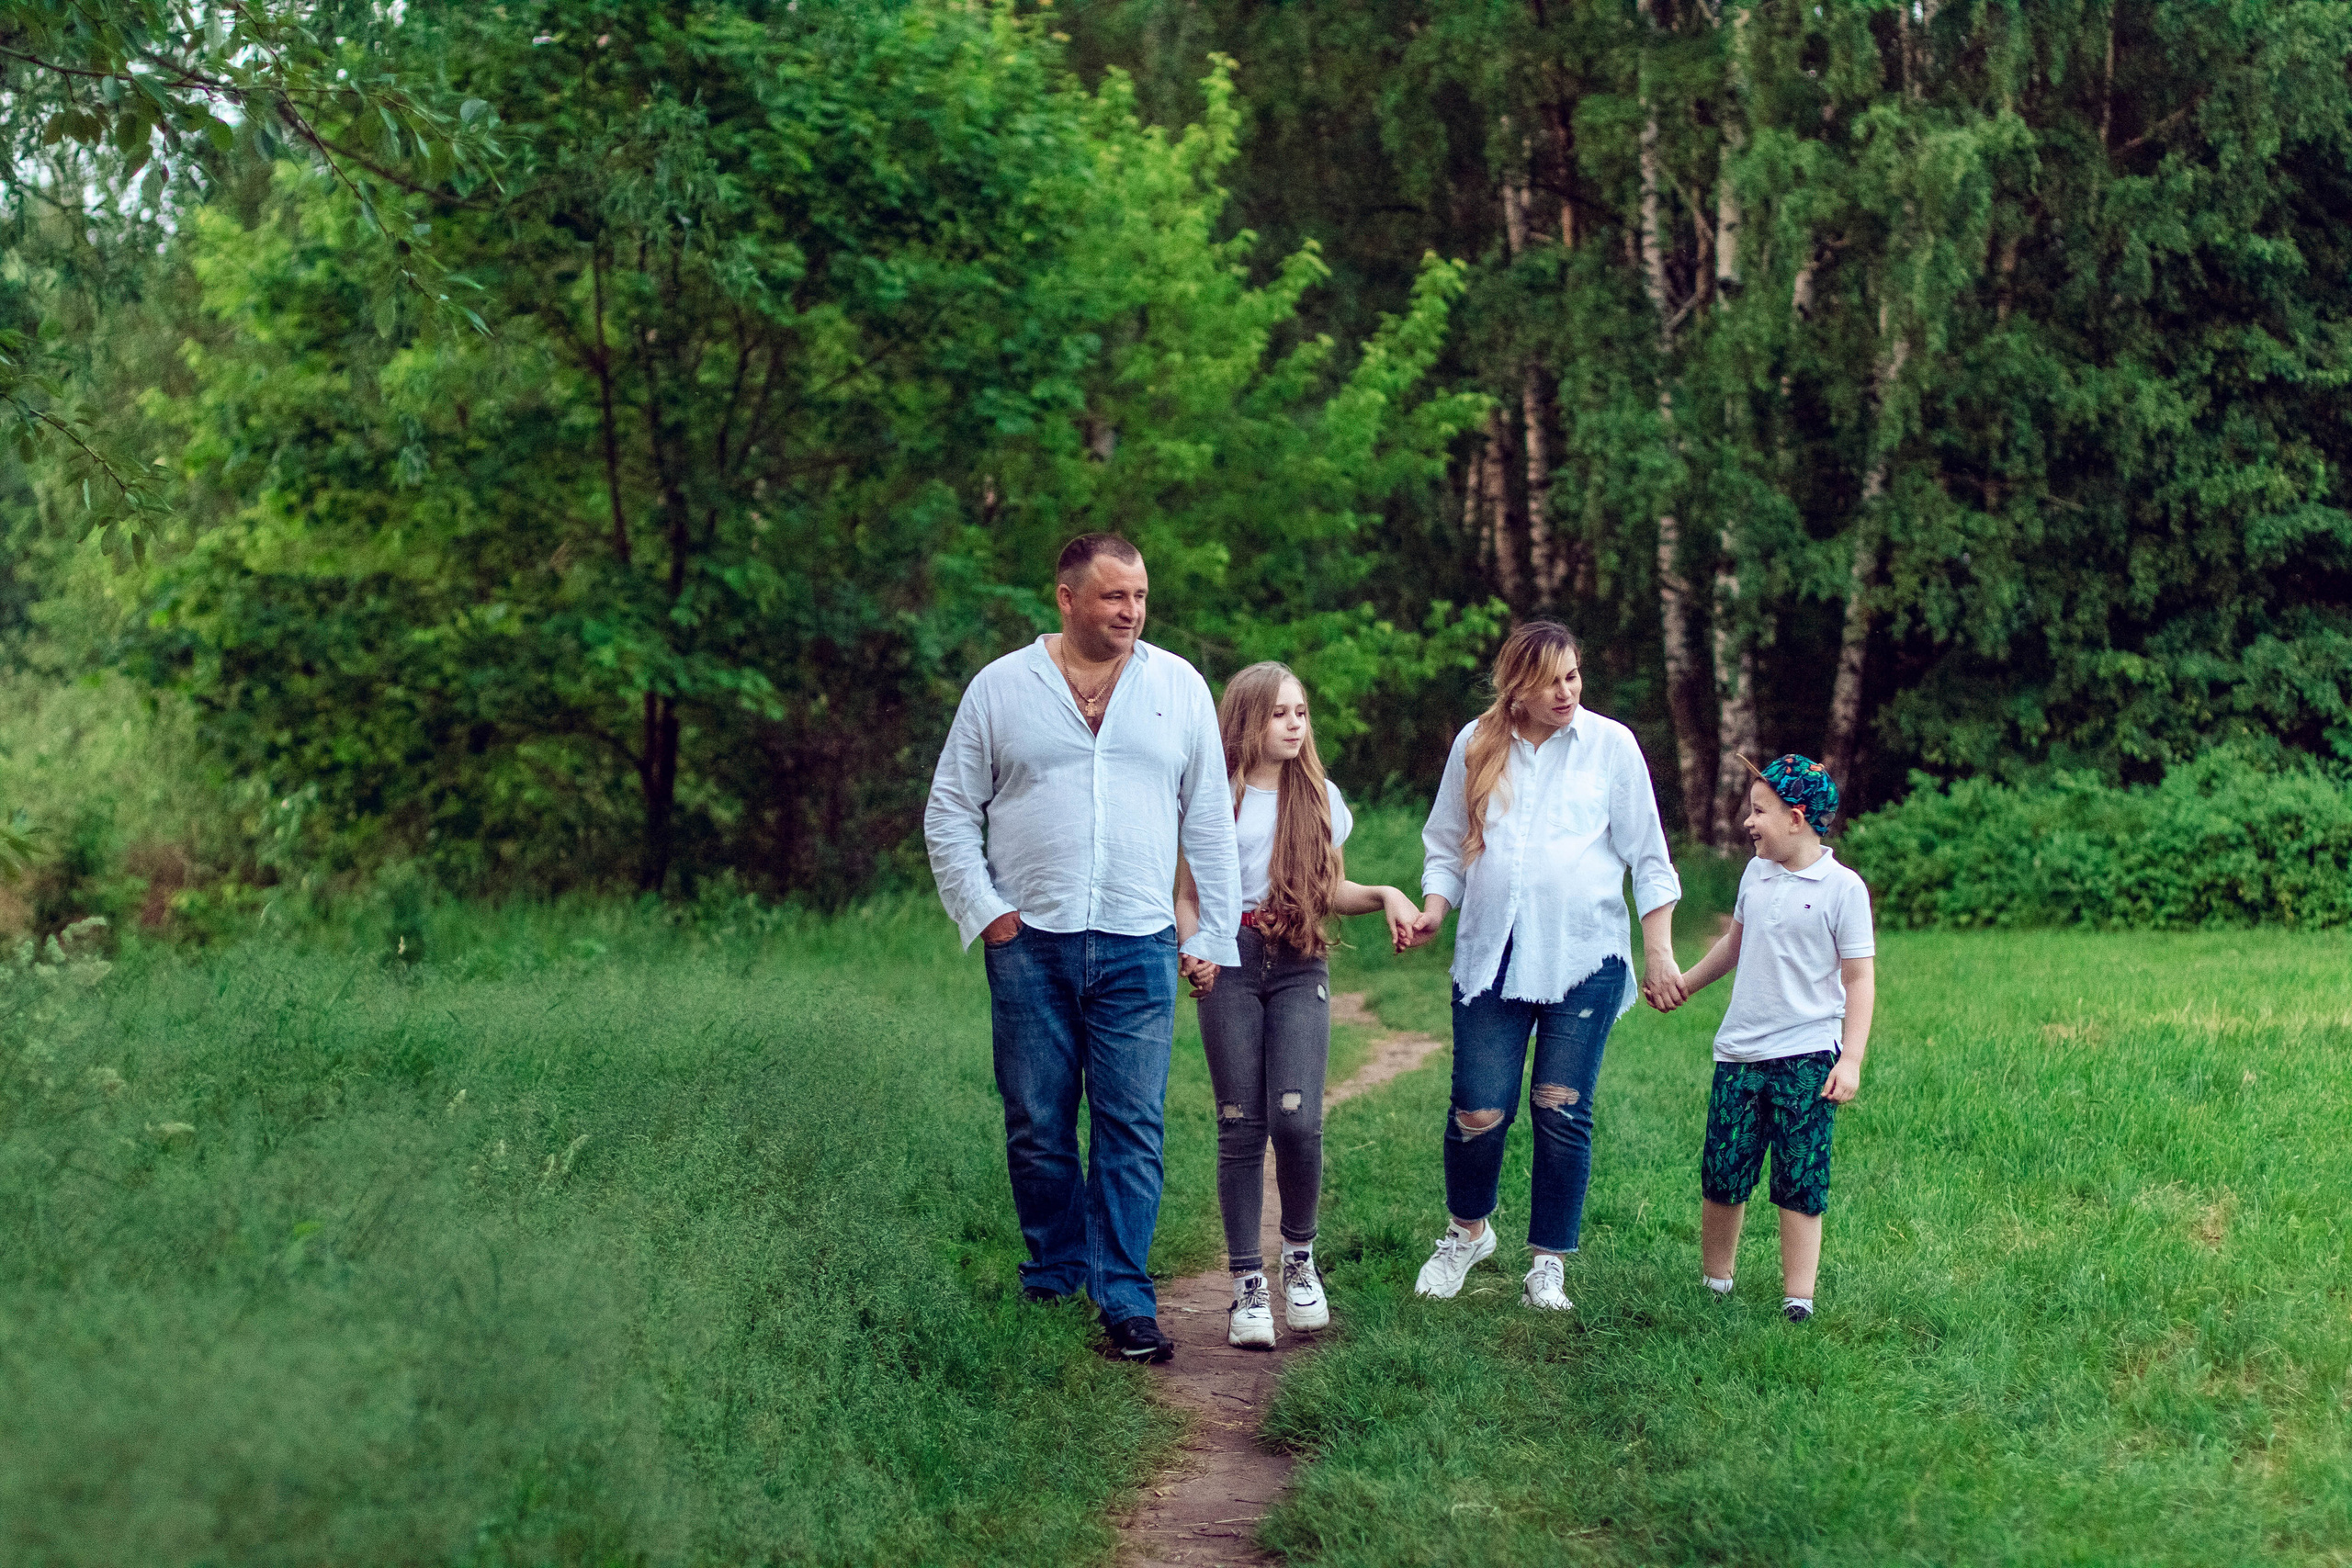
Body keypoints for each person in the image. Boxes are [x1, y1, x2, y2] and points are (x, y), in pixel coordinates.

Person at [923, 533, 1242, 1364]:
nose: (1132, 611)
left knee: (1131, 1124)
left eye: (1139, 597)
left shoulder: (1178, 687)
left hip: (1139, 940)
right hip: (1030, 940)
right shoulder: (1001, 687)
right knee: (1037, 1123)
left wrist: (1210, 930)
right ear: (1067, 598)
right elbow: (950, 809)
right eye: (1114, 597)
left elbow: (1208, 818)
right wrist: (988, 912)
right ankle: (1053, 1275)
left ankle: (1126, 1298)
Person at [1400, 620, 1682, 1313]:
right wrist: (1436, 909)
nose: (1567, 691)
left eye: (1574, 675)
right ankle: (1467, 1232)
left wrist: (1660, 949)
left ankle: (1548, 1262)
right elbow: (1445, 842)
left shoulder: (1610, 745)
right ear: (1517, 685)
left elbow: (1649, 857)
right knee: (1477, 1108)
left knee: (1561, 1108)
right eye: (1552, 679)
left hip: (1585, 956)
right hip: (1491, 957)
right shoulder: (1476, 743)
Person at [1174, 662, 1420, 1348]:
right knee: (1240, 1121)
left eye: (1302, 713)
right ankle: (1246, 1283)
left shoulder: (1319, 798)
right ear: (1247, 719)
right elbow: (1187, 894)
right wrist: (1191, 945)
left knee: (1298, 1118)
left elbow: (1329, 891)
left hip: (1297, 960)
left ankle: (1299, 1259)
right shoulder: (1211, 797)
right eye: (1280, 712)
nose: (1293, 724)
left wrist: (1384, 897)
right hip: (1229, 960)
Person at [1654, 754, 1876, 1323]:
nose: (1747, 822)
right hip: (1741, 1052)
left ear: (1797, 817)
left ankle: (1797, 1297)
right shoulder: (1756, 873)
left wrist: (1849, 1060)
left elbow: (1858, 978)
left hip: (1806, 1056)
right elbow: (1733, 946)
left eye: (1759, 811)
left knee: (1800, 1176)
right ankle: (1715, 1282)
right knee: (1724, 1170)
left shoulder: (1842, 889)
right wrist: (1685, 985)